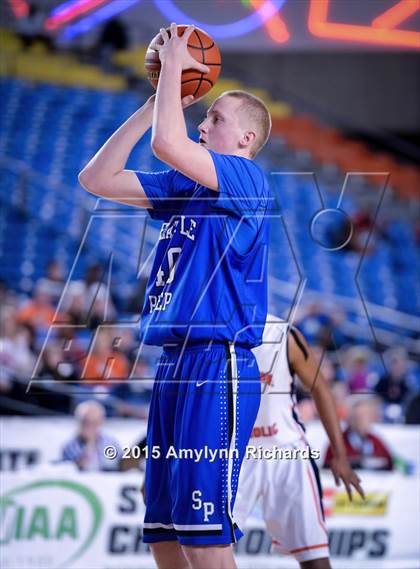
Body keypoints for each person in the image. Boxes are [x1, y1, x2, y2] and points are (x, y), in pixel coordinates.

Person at [78, 23, 272, 569]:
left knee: (203, 536)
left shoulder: (246, 179)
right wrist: (150, 104)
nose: (204, 120)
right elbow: (95, 178)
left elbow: (169, 142)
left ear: (245, 139)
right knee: (164, 533)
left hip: (218, 363)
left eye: (215, 116)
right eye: (203, 113)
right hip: (173, 364)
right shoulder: (185, 187)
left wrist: (172, 71)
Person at [234, 315, 364, 569]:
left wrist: (340, 455)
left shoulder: (283, 334)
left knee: (315, 558)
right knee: (209, 548)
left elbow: (321, 388)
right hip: (234, 455)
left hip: (286, 450)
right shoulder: (212, 332)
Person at [324, 395, 393, 471]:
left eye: (364, 417)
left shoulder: (376, 441)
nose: (360, 421)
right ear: (349, 419)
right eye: (357, 416)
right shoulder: (337, 442)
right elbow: (327, 466)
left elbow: (390, 464)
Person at [61, 400, 122, 471]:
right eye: (86, 421)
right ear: (79, 421)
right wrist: (89, 444)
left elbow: (122, 465)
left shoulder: (111, 443)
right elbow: (69, 471)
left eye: (94, 422)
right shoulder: (69, 446)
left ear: (101, 422)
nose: (90, 426)